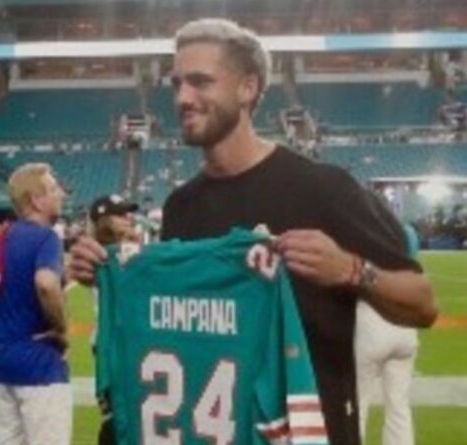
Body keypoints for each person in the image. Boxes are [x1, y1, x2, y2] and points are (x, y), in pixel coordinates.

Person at [68, 18, 437, 445]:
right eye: (177, 84)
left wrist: (353, 270)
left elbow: (423, 305)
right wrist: (106, 272)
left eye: (201, 82)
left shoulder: (325, 189)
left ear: (247, 88)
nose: (183, 98)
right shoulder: (181, 206)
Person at [0, 163, 71, 445]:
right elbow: (46, 283)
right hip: (40, 364)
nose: (61, 194)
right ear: (36, 199)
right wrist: (61, 327)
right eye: (53, 188)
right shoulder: (46, 238)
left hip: (6, 361)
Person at [355, 222, 421, 445]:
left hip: (370, 320)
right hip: (405, 324)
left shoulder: (364, 230)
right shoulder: (407, 232)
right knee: (399, 407)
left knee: (358, 406)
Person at [87, 194, 139, 445]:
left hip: (126, 340)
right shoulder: (99, 255)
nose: (128, 217)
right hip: (110, 343)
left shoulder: (125, 251)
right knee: (115, 419)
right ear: (104, 220)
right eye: (120, 214)